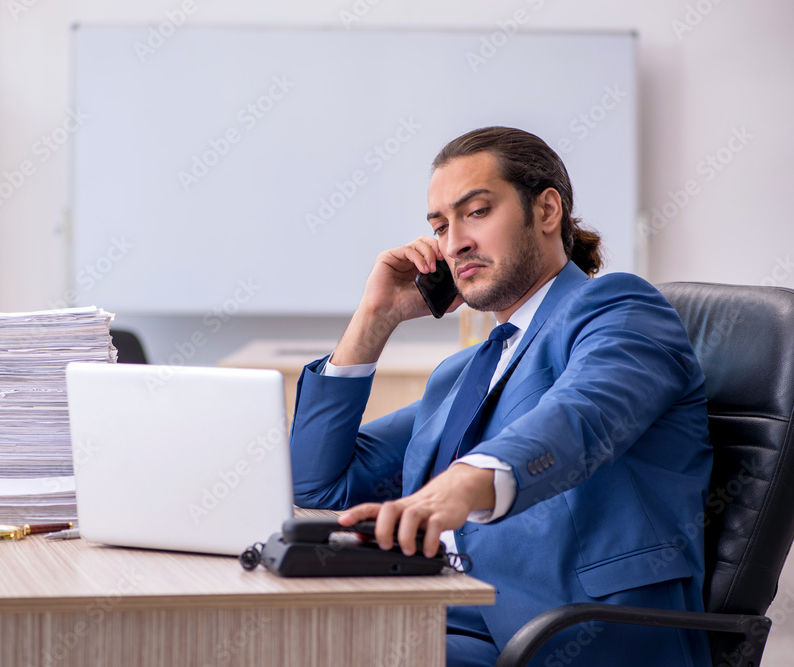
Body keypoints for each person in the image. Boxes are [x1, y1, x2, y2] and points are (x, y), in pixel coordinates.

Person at [288, 126, 712, 666]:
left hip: (566, 633)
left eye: (477, 212)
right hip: (441, 617)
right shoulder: (464, 373)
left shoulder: (617, 309)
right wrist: (375, 319)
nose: (455, 241)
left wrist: (463, 484)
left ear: (547, 210)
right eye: (440, 226)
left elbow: (581, 416)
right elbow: (318, 482)